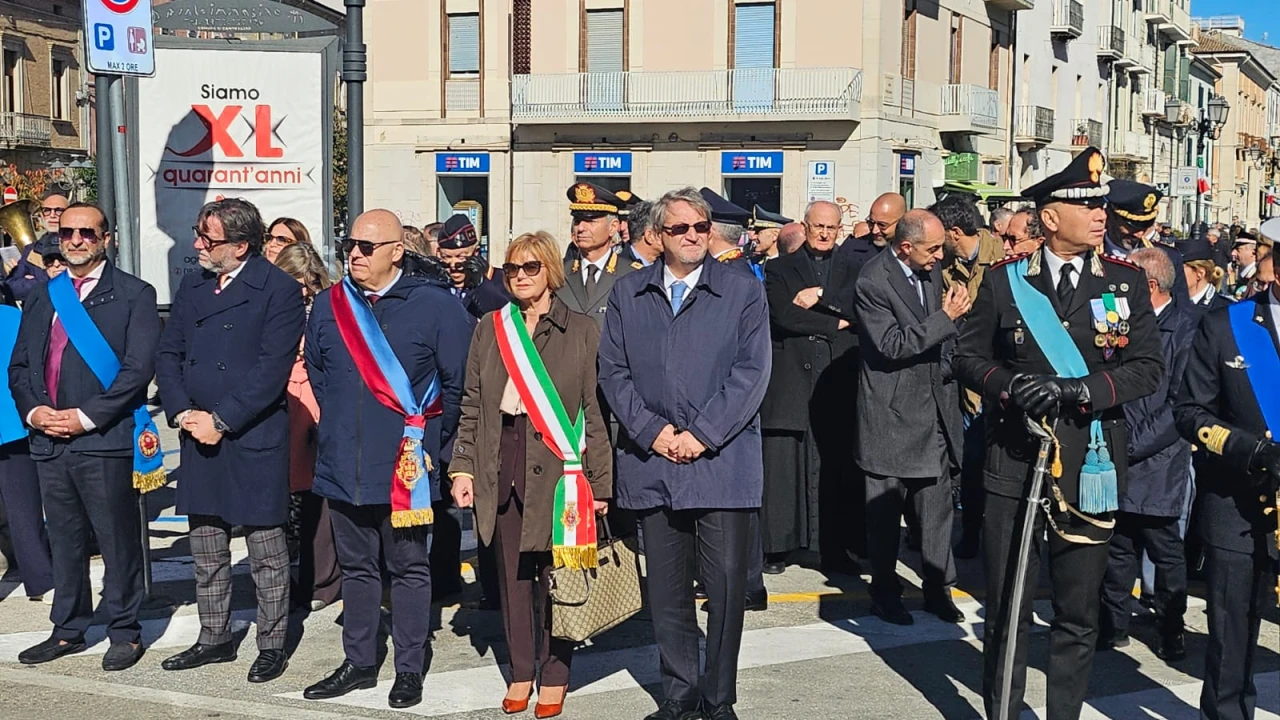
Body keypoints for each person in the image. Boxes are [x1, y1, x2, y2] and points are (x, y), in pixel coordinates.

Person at [954, 147, 1164, 719]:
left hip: (1090, 464)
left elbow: (1148, 368)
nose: (1101, 215)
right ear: (1050, 217)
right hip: (1014, 458)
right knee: (1007, 606)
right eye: (1087, 206)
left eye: (1101, 206)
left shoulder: (1125, 282)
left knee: (1077, 612)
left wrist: (1079, 391)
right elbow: (966, 357)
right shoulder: (1005, 282)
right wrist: (1011, 386)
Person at [598, 187, 770, 720]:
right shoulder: (629, 293)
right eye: (680, 228)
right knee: (667, 592)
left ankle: (718, 698)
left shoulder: (742, 290)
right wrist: (653, 432)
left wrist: (701, 434)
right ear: (657, 235)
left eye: (701, 226)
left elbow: (751, 373)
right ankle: (679, 692)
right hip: (653, 461)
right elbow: (613, 372)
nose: (694, 236)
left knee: (725, 590)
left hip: (721, 463)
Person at [302, 209, 471, 709]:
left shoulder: (434, 305)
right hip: (343, 463)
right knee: (357, 568)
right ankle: (358, 661)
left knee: (408, 568)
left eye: (366, 246)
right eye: (348, 244)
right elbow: (320, 376)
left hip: (405, 467)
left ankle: (409, 667)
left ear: (397, 252)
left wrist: (430, 445)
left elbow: (459, 385)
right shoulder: (331, 304)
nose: (353, 254)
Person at [449, 231, 612, 720]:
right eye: (513, 268)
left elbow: (596, 412)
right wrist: (462, 466)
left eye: (531, 267)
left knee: (558, 577)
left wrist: (600, 484)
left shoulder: (581, 330)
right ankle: (521, 671)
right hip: (502, 457)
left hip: (562, 468)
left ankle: (555, 674)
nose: (520, 276)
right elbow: (472, 404)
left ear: (551, 272)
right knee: (512, 577)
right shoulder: (490, 327)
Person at [155, 199, 305, 683]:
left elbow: (271, 370)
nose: (197, 244)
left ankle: (272, 644)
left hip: (251, 433)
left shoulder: (278, 289)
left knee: (266, 552)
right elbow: (169, 352)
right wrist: (182, 411)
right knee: (206, 548)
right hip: (197, 432)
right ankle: (214, 636)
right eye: (199, 233)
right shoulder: (194, 284)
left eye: (208, 238)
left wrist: (220, 420)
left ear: (240, 246)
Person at [10, 202, 161, 672]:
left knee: (117, 540)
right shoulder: (44, 294)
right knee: (65, 540)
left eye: (87, 233)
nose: (76, 241)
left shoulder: (134, 294)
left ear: (106, 239)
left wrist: (85, 417)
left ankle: (125, 631)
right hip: (48, 438)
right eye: (68, 233)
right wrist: (35, 411)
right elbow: (20, 365)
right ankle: (68, 628)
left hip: (103, 438)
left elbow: (137, 371)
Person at [1174, 273, 1280, 720]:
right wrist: (1248, 450)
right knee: (1232, 636)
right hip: (1238, 500)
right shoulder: (1226, 324)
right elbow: (1189, 412)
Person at [855, 209, 968, 625]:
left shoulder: (929, 271)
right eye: (932, 249)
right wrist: (945, 319)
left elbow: (941, 337)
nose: (940, 256)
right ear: (905, 247)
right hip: (893, 414)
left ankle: (938, 588)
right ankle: (885, 592)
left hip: (934, 408)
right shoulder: (873, 281)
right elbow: (891, 344)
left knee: (937, 509)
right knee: (885, 515)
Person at [1097, 248, 1195, 661]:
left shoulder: (1186, 329)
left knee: (1164, 550)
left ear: (1150, 285)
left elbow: (1181, 404)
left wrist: (1132, 445)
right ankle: (1113, 625)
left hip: (1157, 459)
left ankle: (1171, 628)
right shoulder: (1118, 317)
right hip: (1116, 451)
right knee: (1117, 546)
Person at [759, 200, 861, 578]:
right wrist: (836, 323)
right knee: (783, 469)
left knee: (834, 468)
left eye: (831, 228)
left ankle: (832, 547)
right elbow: (784, 315)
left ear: (840, 231)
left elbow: (862, 308)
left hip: (836, 378)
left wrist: (822, 297)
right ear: (805, 227)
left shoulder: (853, 268)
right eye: (818, 226)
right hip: (791, 381)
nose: (824, 234)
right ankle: (777, 546)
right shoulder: (779, 268)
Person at [930, 195, 1006, 558]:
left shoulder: (1002, 260)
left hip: (995, 381)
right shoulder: (944, 263)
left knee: (992, 464)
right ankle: (970, 531)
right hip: (960, 383)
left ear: (954, 233)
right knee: (967, 464)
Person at [272, 242, 342, 613]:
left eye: (309, 283)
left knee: (319, 495)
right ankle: (283, 580)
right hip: (281, 399)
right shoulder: (271, 308)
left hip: (314, 399)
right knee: (283, 497)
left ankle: (322, 580)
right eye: (296, 282)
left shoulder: (326, 309)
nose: (303, 291)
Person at [0, 298, 52, 602]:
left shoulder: (11, 317)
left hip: (12, 422)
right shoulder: (13, 316)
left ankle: (39, 576)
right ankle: (40, 579)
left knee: (22, 509)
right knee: (24, 508)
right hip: (14, 422)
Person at [557, 183, 639, 326]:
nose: (581, 228)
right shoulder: (558, 273)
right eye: (577, 221)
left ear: (612, 227)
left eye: (590, 221)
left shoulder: (634, 276)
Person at [1102, 181, 1189, 304]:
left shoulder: (1169, 257)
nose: (1139, 234)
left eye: (1144, 227)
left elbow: (1181, 306)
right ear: (1110, 217)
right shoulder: (1090, 256)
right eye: (1131, 227)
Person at [437, 215, 509, 322]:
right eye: (446, 257)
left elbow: (507, 317)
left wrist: (481, 286)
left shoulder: (502, 280)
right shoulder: (437, 283)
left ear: (476, 252)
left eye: (461, 257)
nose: (453, 265)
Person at [7, 192, 69, 303]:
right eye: (47, 210)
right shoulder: (30, 250)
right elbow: (12, 288)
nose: (52, 215)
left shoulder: (78, 246)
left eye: (59, 210)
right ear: (41, 215)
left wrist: (32, 282)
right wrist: (47, 277)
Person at [839, 192, 905, 271]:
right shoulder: (851, 250)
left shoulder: (914, 252)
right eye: (871, 223)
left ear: (901, 222)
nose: (874, 230)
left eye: (882, 225)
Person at [1182, 238, 1233, 319]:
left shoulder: (1224, 309)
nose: (1173, 273)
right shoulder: (1172, 303)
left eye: (1178, 268)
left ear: (1200, 274)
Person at [747, 206, 791, 281]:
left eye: (758, 232)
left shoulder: (789, 266)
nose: (753, 237)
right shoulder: (752, 264)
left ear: (775, 236)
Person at [617, 200, 663, 268]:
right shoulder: (619, 268)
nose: (670, 235)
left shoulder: (669, 264)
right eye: (663, 230)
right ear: (650, 236)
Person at [1228, 232, 1258, 299]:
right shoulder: (1245, 274)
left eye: (1238, 250)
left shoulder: (1256, 276)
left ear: (1253, 252)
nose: (1233, 253)